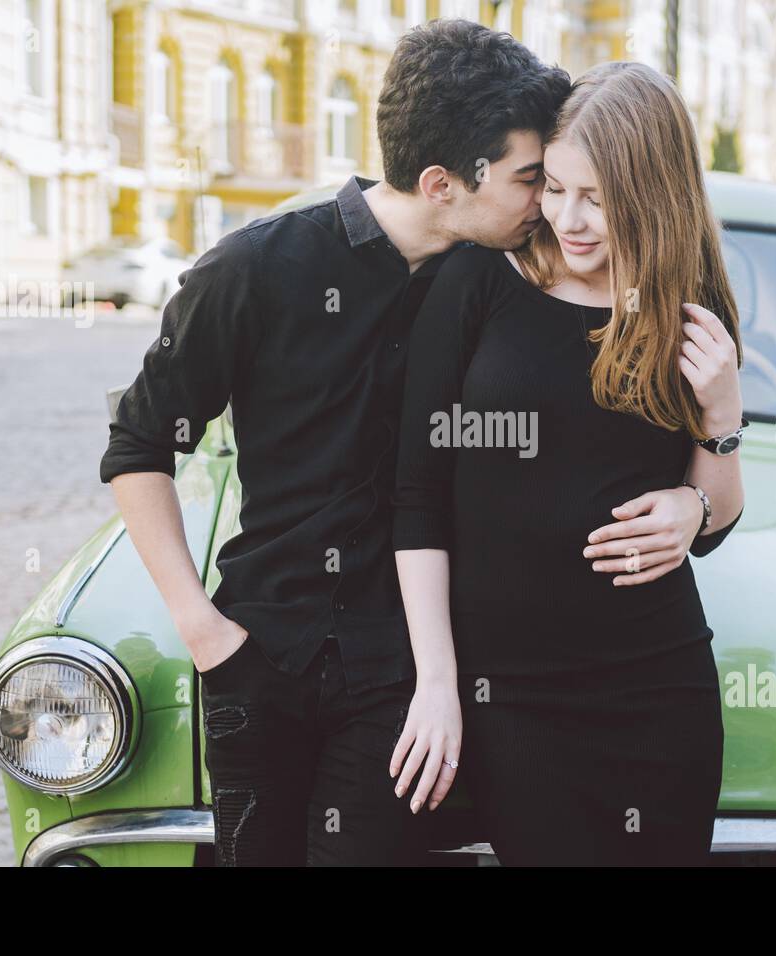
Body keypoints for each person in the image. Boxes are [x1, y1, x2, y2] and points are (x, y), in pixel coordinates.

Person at [98, 21, 712, 866]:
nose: (549, 207)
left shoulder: (488, 278)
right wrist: (201, 629)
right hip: (263, 651)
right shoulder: (255, 268)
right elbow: (138, 443)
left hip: (401, 669)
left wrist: (697, 493)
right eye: (535, 181)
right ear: (442, 183)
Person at [391, 60, 746, 866]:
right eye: (555, 188)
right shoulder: (478, 280)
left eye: (598, 198)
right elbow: (418, 494)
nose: (569, 218)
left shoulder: (691, 304)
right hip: (511, 695)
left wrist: (718, 432)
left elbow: (718, 517)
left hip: (659, 687)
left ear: (653, 193)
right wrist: (438, 681)